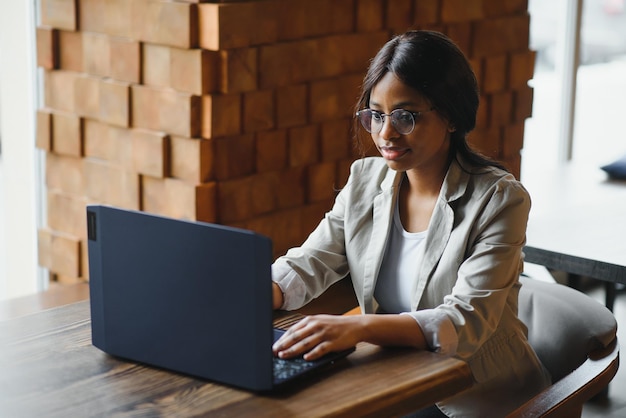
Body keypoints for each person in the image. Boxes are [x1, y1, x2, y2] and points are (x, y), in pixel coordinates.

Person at [270, 30, 551, 418]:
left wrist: (360, 328)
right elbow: (310, 262)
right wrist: (257, 293)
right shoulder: (364, 181)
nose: (386, 133)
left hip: (477, 395)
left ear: (450, 115)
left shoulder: (500, 200)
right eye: (377, 115)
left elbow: (464, 322)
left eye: (405, 116)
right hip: (396, 374)